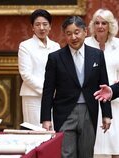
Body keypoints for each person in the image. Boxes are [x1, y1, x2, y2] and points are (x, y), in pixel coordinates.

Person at [40, 15, 112, 158]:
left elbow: (103, 86)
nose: (73, 37)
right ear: (64, 36)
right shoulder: (55, 58)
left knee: (86, 154)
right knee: (67, 154)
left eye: (77, 32)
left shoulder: (97, 55)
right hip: (64, 113)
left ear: (85, 32)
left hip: (89, 112)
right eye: (68, 33)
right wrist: (46, 119)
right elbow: (48, 90)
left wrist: (106, 114)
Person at [85, 9, 119, 158]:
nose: (100, 26)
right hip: (94, 98)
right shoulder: (85, 43)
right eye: (97, 23)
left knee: (115, 143)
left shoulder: (118, 44)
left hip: (115, 99)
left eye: (104, 23)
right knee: (97, 146)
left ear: (110, 25)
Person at [18, 9, 60, 127]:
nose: (41, 28)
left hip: (54, 97)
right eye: (37, 24)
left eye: (45, 24)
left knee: (52, 134)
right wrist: (47, 91)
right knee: (36, 132)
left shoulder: (55, 46)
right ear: (32, 27)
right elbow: (26, 74)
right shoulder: (25, 46)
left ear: (50, 26)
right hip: (33, 97)